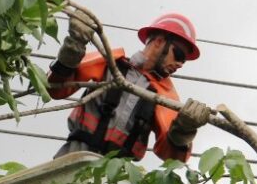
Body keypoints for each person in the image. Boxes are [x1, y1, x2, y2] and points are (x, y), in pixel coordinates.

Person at [47, 11, 211, 162]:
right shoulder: (110, 63)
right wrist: (73, 48)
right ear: (159, 41)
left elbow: (173, 157)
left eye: (184, 61)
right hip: (75, 156)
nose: (180, 64)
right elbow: (55, 88)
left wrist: (183, 131)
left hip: (117, 175)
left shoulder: (164, 96)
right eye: (179, 55)